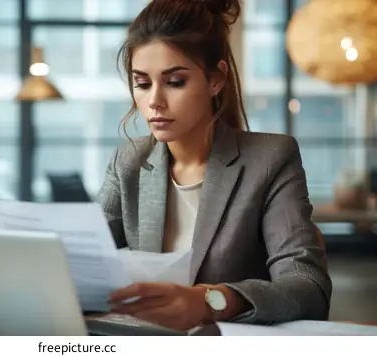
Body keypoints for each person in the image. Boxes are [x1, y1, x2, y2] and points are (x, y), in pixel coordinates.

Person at [98, 0, 332, 331]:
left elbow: (309, 289)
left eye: (175, 81)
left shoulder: (270, 159)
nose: (154, 101)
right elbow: (85, 262)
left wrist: (211, 300)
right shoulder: (128, 161)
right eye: (143, 83)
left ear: (216, 81)